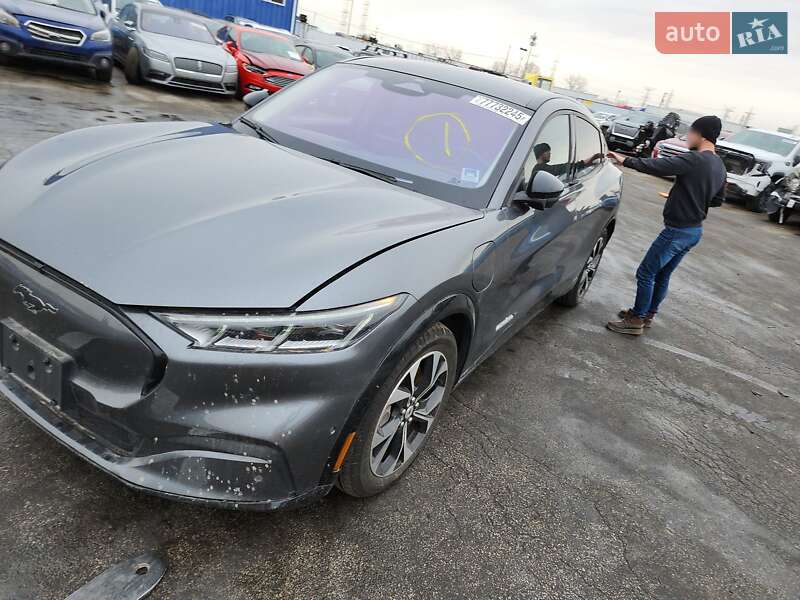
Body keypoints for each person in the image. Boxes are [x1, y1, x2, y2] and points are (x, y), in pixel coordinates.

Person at [605, 115, 726, 336]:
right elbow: (717, 200)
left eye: (690, 132)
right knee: (662, 275)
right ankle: (647, 314)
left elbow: (658, 166)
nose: (688, 137)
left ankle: (636, 320)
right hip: (694, 231)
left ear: (700, 134)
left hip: (677, 231)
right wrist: (689, 196)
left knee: (646, 273)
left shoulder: (695, 159)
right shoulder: (719, 165)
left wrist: (624, 160)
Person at [532, 143, 602, 179]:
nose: (550, 153)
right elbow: (562, 168)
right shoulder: (540, 169)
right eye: (547, 151)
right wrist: (587, 161)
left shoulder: (540, 168)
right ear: (541, 153)